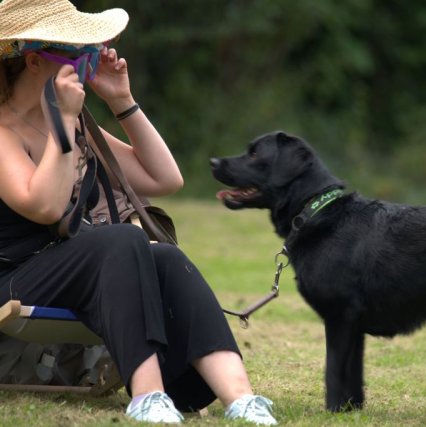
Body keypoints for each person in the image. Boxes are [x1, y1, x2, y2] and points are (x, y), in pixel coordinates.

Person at [0, 0, 277, 424]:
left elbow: (164, 178)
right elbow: (45, 207)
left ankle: (241, 399)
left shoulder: (75, 123)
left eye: (91, 52)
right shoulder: (6, 130)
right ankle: (148, 397)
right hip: (14, 279)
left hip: (67, 268)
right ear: (35, 60)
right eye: (78, 54)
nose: (89, 64)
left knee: (165, 257)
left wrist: (122, 101)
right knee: (122, 239)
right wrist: (63, 125)